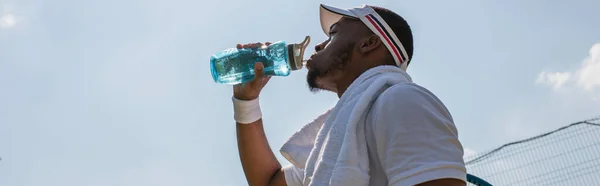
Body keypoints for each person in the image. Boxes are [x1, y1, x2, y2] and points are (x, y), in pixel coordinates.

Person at [232, 4, 467, 186]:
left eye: (333, 34)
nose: (318, 46)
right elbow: (268, 182)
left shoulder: (402, 100)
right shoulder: (336, 143)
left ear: (369, 44)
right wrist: (246, 101)